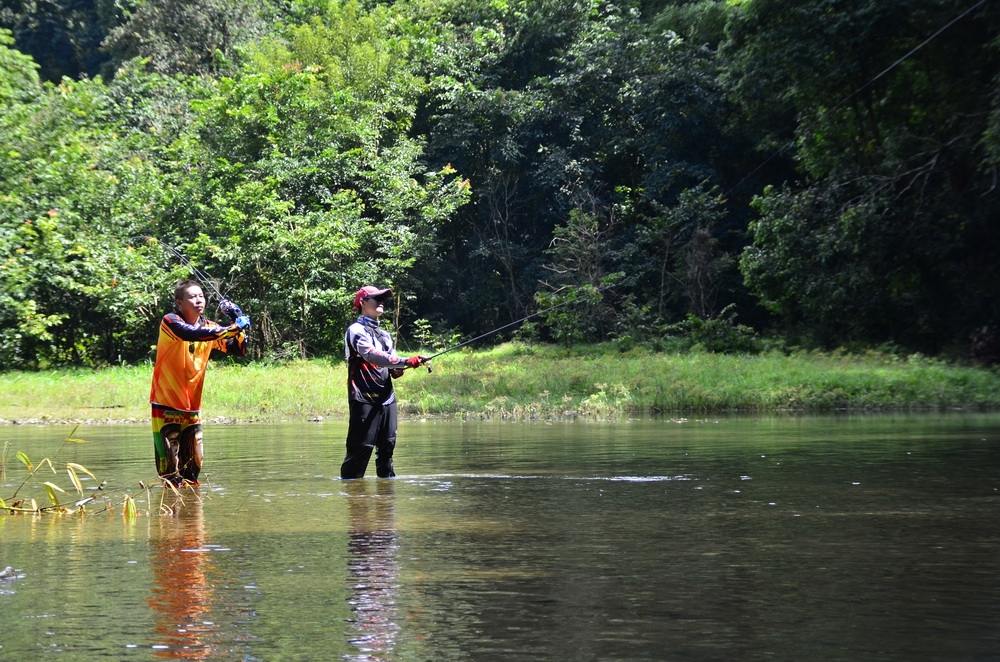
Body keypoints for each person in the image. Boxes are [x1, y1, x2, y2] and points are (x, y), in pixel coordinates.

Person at [149, 279, 250, 485]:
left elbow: (238, 349)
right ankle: (169, 515)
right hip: (165, 403)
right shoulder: (170, 322)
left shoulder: (211, 327)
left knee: (193, 470)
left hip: (192, 407)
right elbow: (191, 334)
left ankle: (192, 515)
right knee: (169, 473)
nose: (198, 300)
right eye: (192, 297)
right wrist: (233, 327)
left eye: (201, 296)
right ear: (179, 302)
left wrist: (239, 324)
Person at [341, 286, 428, 479]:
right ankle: (354, 500)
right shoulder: (355, 330)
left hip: (387, 399)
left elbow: (392, 366)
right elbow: (373, 356)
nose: (381, 302)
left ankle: (386, 502)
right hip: (363, 398)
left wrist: (402, 367)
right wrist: (407, 360)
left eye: (383, 299)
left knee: (387, 450)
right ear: (362, 303)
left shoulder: (385, 335)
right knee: (359, 452)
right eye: (376, 298)